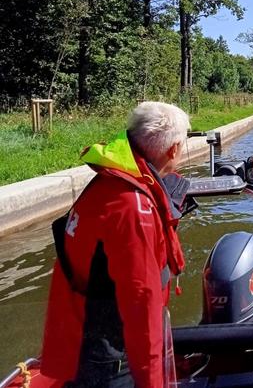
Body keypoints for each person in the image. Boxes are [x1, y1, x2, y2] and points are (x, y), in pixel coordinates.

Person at [41, 102, 191, 388]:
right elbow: (141, 305)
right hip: (112, 357)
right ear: (173, 150)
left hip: (82, 336)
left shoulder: (107, 182)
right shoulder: (134, 210)